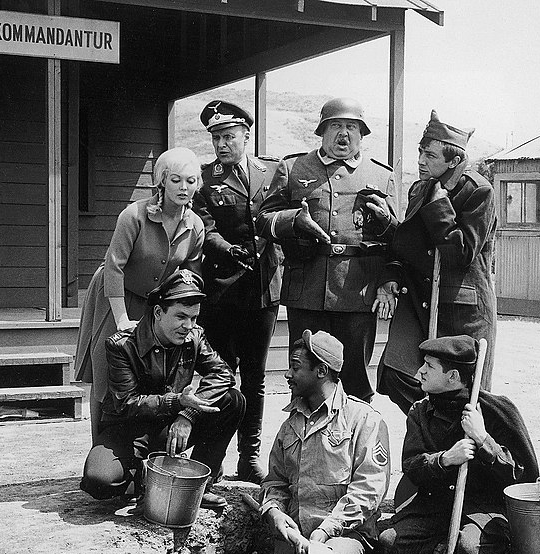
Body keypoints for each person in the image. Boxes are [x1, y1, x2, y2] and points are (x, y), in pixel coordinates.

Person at [378, 335, 539, 554]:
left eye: (428, 366)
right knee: (391, 541)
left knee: (468, 549)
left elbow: (524, 477)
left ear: (452, 376)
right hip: (435, 506)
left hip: (484, 509)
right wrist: (444, 460)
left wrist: (483, 439)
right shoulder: (420, 412)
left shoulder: (495, 411)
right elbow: (412, 466)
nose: (419, 373)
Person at [256, 97, 398, 403]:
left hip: (357, 292)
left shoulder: (381, 176)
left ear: (362, 134)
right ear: (322, 131)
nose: (343, 134)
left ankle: (353, 444)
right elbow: (264, 220)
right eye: (336, 126)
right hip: (307, 290)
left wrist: (388, 281)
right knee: (304, 375)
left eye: (351, 127)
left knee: (355, 379)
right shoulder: (294, 168)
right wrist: (294, 220)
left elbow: (394, 241)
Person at [79, 270, 246, 510]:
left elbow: (223, 374)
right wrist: (178, 402)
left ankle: (197, 487)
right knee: (99, 481)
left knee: (233, 400)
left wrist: (187, 416)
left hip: (169, 430)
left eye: (194, 318)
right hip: (128, 431)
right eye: (181, 317)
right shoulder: (122, 345)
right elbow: (127, 404)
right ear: (158, 312)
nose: (188, 326)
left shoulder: (194, 337)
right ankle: (142, 479)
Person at [75, 147, 205, 445]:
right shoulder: (133, 215)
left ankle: (141, 447)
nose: (183, 187)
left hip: (155, 305)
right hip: (115, 295)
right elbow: (114, 266)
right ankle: (101, 446)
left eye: (191, 180)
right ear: (161, 181)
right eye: (175, 180)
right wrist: (121, 318)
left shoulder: (195, 225)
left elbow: (189, 275)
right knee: (106, 370)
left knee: (145, 370)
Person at [376, 110, 497, 415]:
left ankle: (456, 450)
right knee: (396, 373)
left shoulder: (478, 191)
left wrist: (439, 206)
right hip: (421, 301)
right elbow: (406, 246)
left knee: (465, 394)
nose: (420, 160)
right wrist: (391, 273)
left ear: (453, 161)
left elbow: (461, 254)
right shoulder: (420, 188)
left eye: (429, 155)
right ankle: (431, 431)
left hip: (462, 310)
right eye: (420, 151)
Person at [260, 329, 390, 554]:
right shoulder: (290, 423)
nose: (287, 375)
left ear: (321, 371)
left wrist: (324, 532)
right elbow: (275, 481)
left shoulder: (363, 420)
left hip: (344, 538)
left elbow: (368, 491)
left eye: (295, 368)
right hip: (295, 540)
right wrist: (275, 513)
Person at [194, 100, 281, 484]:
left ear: (247, 134)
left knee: (256, 378)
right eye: (216, 138)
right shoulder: (204, 178)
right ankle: (213, 460)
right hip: (222, 292)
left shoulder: (274, 172)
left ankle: (250, 457)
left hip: (263, 290)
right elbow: (205, 228)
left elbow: (286, 214)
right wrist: (227, 250)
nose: (222, 145)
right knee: (221, 376)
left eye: (229, 136)